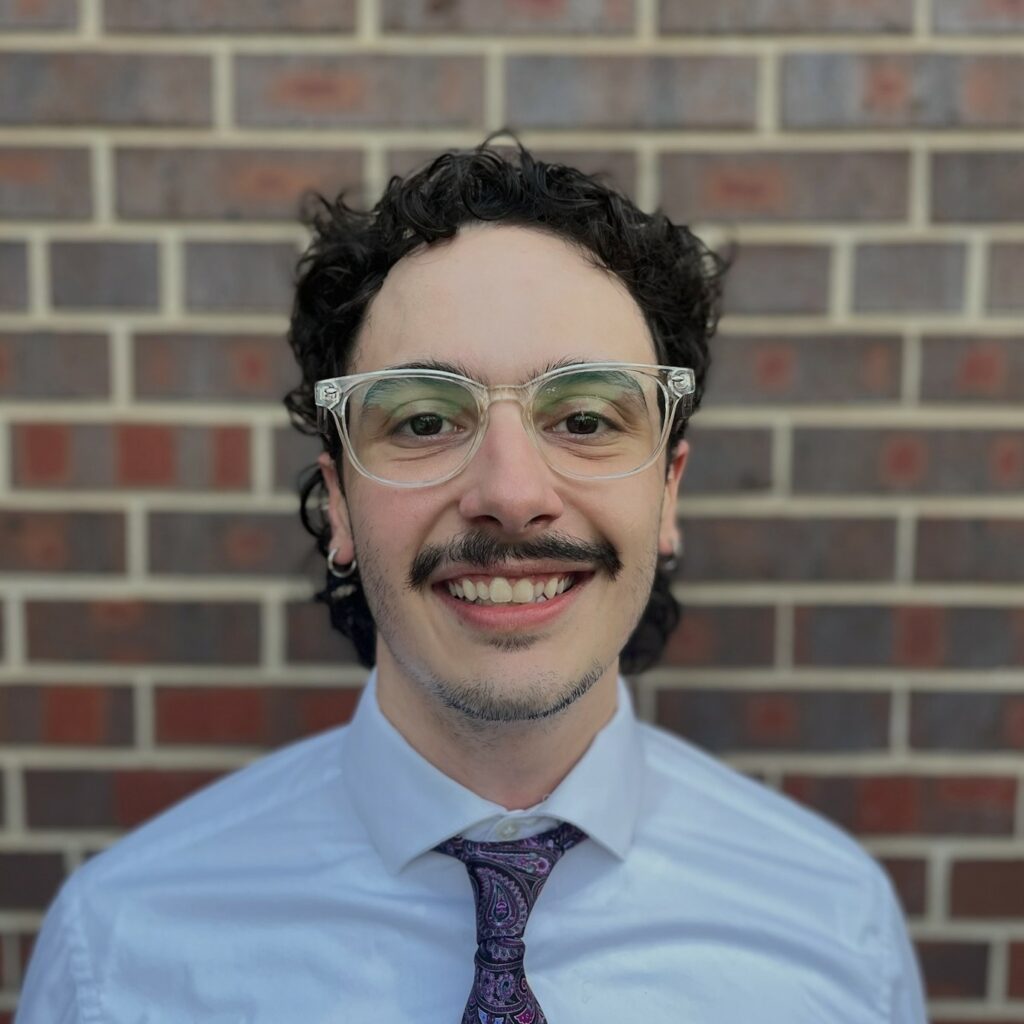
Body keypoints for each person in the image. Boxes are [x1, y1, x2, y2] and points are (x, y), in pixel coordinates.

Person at [15, 135, 927, 1023]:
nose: (512, 494)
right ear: (338, 504)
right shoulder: (123, 949)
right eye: (421, 421)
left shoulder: (836, 930)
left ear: (668, 491)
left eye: (582, 416)